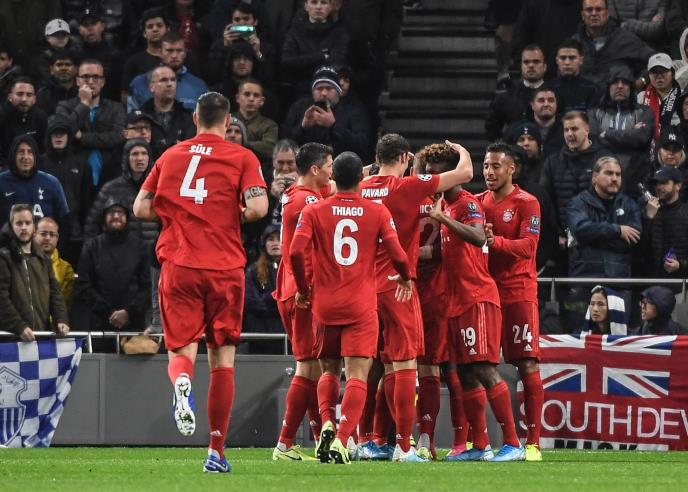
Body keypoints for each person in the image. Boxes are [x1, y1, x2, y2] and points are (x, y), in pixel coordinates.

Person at [133, 91, 268, 473]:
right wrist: (228, 211)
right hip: (224, 267)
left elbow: (140, 207)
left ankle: (182, 382)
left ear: (195, 119)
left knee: (181, 350)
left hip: (180, 265)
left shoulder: (170, 156)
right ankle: (216, 451)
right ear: (228, 121)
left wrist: (177, 213)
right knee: (222, 359)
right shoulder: (242, 157)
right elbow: (258, 207)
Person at [290, 150, 413, 464]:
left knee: (329, 370)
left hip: (325, 304)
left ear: (333, 177)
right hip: (360, 305)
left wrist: (303, 289)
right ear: (361, 178)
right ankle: (343, 440)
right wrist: (405, 276)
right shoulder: (377, 211)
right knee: (357, 374)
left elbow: (295, 251)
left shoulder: (314, 209)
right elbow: (398, 253)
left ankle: (328, 423)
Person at [359, 134, 473, 463]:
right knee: (406, 363)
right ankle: (404, 446)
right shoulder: (407, 187)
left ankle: (362, 440)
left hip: (363, 289)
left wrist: (367, 169)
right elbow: (465, 173)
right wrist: (462, 150)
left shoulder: (360, 188)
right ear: (405, 158)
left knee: (375, 366)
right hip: (399, 285)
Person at [427, 161, 525, 462]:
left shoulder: (467, 203)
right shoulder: (446, 205)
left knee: (483, 368)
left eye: (437, 172)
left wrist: (442, 218)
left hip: (477, 298)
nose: (433, 178)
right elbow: (441, 252)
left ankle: (513, 443)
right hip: (456, 301)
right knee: (465, 373)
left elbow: (479, 236)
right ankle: (480, 446)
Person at [477, 143, 543, 461]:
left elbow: (528, 247)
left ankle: (533, 443)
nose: (489, 172)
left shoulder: (527, 203)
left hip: (518, 292)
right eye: (486, 166)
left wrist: (495, 242)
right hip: (485, 294)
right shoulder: (477, 202)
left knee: (526, 363)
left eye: (496, 166)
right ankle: (485, 442)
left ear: (511, 169)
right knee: (479, 365)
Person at [272, 142, 333, 461]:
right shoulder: (305, 201)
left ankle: (319, 436)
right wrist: (305, 288)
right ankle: (284, 443)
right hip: (302, 292)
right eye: (329, 166)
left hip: (290, 288)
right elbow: (299, 252)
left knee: (312, 367)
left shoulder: (298, 194)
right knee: (308, 367)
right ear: (314, 169)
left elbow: (334, 187)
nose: (331, 172)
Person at [411, 143, 464, 461]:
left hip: (435, 292)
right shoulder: (416, 195)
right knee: (401, 365)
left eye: (437, 172)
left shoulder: (455, 204)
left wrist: (412, 254)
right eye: (428, 171)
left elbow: (450, 248)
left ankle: (429, 438)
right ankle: (386, 438)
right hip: (411, 288)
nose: (431, 177)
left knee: (436, 365)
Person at [540, 110, 610, 259]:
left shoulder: (604, 159)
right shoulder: (552, 162)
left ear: (587, 129)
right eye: (566, 130)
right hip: (564, 243)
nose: (570, 134)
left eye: (574, 129)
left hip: (598, 240)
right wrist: (556, 234)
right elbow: (546, 203)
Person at [74, 199, 151, 334]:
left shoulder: (142, 247)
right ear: (104, 217)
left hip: (134, 324)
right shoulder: (91, 247)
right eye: (111, 212)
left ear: (127, 217)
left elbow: (148, 285)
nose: (116, 216)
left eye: (120, 212)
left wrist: (129, 312)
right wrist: (108, 312)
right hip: (99, 324)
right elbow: (83, 285)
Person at [0, 203, 69, 341]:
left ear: (34, 227)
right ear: (11, 226)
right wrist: (18, 326)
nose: (24, 227)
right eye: (19, 223)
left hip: (40, 337)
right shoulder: (3, 257)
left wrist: (61, 318)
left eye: (27, 223)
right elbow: (1, 297)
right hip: (11, 339)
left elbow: (55, 294)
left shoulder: (43, 259)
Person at [567, 156, 642, 278]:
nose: (614, 178)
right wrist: (617, 230)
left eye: (618, 174)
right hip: (585, 277)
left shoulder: (629, 205)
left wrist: (593, 239)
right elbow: (580, 230)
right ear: (595, 176)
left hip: (619, 278)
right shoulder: (579, 202)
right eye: (609, 173)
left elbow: (633, 239)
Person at [56, 59, 126, 188]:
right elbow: (65, 132)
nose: (91, 81)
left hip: (109, 174)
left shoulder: (116, 108)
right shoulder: (64, 106)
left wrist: (82, 137)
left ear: (103, 82)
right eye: (85, 77)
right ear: (78, 81)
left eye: (96, 77)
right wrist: (84, 104)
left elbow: (118, 137)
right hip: (74, 175)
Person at [282, 66, 370, 158]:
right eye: (319, 89)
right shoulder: (299, 107)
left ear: (339, 92)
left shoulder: (354, 110)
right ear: (313, 92)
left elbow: (362, 146)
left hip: (340, 162)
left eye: (329, 88)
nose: (324, 93)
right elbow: (284, 144)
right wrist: (302, 127)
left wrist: (333, 126)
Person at [84, 139, 159, 246]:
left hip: (153, 250)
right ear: (126, 158)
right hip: (121, 251)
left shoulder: (158, 188)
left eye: (144, 153)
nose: (140, 158)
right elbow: (92, 224)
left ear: (149, 158)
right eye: (135, 154)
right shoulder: (110, 188)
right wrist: (92, 251)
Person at [41, 114, 94, 262]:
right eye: (55, 133)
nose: (59, 136)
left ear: (69, 137)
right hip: (44, 230)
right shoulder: (39, 163)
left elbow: (87, 200)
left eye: (62, 133)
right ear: (49, 136)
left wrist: (82, 227)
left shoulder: (82, 164)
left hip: (73, 231)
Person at [588, 64, 654, 179]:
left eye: (625, 82)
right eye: (615, 82)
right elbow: (594, 141)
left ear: (631, 87)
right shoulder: (594, 113)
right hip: (602, 173)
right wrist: (631, 133)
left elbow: (640, 138)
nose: (620, 86)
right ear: (608, 87)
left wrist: (607, 134)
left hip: (636, 174)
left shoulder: (644, 111)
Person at [572, 0, 655, 86]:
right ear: (582, 15)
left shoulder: (625, 39)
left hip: (617, 93)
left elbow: (657, 60)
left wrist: (642, 81)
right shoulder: (574, 44)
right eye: (589, 10)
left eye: (598, 9)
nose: (594, 13)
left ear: (607, 14)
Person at [0, 134, 70, 232]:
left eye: (30, 152)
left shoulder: (52, 182)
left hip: (44, 240)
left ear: (36, 156)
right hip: (8, 241)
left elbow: (64, 220)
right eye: (21, 152)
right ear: (13, 155)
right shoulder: (1, 181)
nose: (25, 157)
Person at [281, 0, 349, 96]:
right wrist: (322, 56)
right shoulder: (294, 32)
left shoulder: (340, 33)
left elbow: (336, 62)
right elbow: (287, 62)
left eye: (323, 2)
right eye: (314, 2)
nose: (318, 7)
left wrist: (303, 62)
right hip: (299, 91)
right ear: (306, 6)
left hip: (329, 90)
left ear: (330, 7)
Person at [128, 32, 208, 112]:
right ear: (160, 53)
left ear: (185, 53)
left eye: (179, 51)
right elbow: (131, 116)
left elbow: (207, 118)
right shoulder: (140, 83)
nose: (174, 56)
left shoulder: (199, 86)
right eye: (169, 51)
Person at [485, 45, 547, 142]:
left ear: (544, 66)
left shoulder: (556, 94)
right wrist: (502, 145)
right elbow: (492, 126)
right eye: (526, 62)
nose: (531, 65)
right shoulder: (506, 97)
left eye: (536, 61)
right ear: (521, 66)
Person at [139, 65, 196, 159]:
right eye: (163, 80)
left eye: (173, 80)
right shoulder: (141, 117)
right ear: (151, 87)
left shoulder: (188, 117)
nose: (169, 84)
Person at [243, 223, 283, 354]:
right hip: (260, 338)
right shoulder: (253, 271)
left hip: (287, 338)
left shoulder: (293, 270)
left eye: (279, 239)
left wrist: (268, 300)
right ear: (264, 244)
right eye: (270, 239)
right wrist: (273, 298)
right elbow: (251, 303)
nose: (275, 243)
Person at [642, 166, 688, 278]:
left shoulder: (685, 212)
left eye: (664, 183)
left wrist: (681, 265)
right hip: (652, 281)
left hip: (681, 282)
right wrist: (648, 218)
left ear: (678, 186)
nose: (658, 187)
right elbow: (639, 251)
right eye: (656, 183)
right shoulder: (649, 210)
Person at [638, 53, 682, 160]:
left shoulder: (683, 96)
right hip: (646, 152)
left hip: (677, 149)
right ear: (649, 75)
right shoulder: (641, 97)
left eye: (663, 71)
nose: (659, 76)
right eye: (654, 72)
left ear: (672, 73)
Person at [121, 8, 170, 103]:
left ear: (168, 29)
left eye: (159, 26)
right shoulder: (133, 62)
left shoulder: (178, 59)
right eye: (150, 27)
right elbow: (125, 94)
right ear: (144, 33)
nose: (155, 29)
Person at [0, 77, 48, 163]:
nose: (24, 99)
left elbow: (43, 149)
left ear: (34, 99)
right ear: (10, 97)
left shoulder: (40, 117)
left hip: (32, 165)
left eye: (29, 95)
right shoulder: (2, 115)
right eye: (19, 94)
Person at [233, 78, 278, 167]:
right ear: (238, 98)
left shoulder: (270, 125)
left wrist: (241, 142)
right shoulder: (226, 120)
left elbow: (270, 149)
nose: (251, 99)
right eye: (247, 94)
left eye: (256, 95)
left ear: (262, 101)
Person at [549, 38, 600, 114]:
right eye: (563, 58)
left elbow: (594, 118)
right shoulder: (547, 89)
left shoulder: (593, 90)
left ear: (581, 60)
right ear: (557, 60)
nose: (567, 62)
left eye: (572, 58)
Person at [34, 216, 75, 310]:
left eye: (52, 234)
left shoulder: (66, 269)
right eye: (43, 234)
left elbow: (63, 304)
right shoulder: (22, 262)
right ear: (34, 235)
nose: (48, 238)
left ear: (57, 238)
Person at [36, 50, 79, 115]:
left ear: (76, 69)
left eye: (68, 64)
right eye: (59, 65)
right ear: (51, 70)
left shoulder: (83, 92)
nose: (64, 68)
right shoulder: (42, 95)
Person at [526, 86, 564, 159]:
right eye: (541, 100)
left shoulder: (567, 129)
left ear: (556, 104)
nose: (546, 104)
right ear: (532, 105)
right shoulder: (520, 128)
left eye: (551, 100)